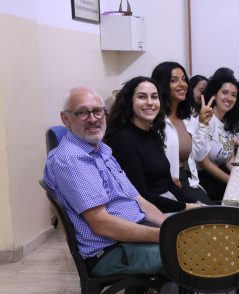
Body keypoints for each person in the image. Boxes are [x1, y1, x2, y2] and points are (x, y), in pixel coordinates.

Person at [44, 86, 166, 277]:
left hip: (133, 234)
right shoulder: (71, 159)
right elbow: (101, 223)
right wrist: (164, 236)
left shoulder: (101, 149)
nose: (93, 119)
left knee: (201, 231)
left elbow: (136, 198)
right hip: (110, 250)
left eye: (98, 111)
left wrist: (168, 225)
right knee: (190, 252)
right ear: (66, 119)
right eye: (82, 113)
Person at [105, 76, 203, 213]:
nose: (150, 102)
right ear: (129, 102)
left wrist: (195, 203)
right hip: (148, 212)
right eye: (142, 97)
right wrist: (186, 207)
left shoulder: (153, 134)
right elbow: (141, 196)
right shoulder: (122, 140)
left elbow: (169, 184)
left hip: (167, 203)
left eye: (154, 97)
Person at [151, 61, 214, 205]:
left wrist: (203, 124)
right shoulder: (155, 120)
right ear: (162, 85)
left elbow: (199, 154)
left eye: (184, 79)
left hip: (188, 180)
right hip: (167, 185)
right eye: (174, 80)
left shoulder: (186, 118)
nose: (182, 84)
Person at [198, 70, 239, 201]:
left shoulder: (225, 122)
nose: (229, 98)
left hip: (220, 176)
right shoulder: (206, 120)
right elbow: (204, 163)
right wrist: (232, 181)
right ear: (215, 93)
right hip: (204, 181)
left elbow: (228, 158)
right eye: (224, 93)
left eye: (234, 95)